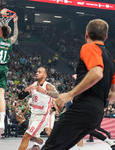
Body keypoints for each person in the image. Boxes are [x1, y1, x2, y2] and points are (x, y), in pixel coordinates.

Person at [42, 19, 115, 150]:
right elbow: (112, 95)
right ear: (106, 36)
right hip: (97, 112)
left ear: (86, 34)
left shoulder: (89, 47)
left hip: (84, 107)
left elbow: (97, 72)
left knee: (51, 147)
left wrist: (70, 94)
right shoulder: (110, 59)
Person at [18, 67, 59, 150]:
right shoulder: (33, 85)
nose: (37, 73)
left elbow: (57, 95)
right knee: (31, 137)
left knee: (26, 136)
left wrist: (44, 91)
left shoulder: (47, 85)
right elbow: (20, 97)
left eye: (39, 72)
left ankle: (52, 144)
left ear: (45, 75)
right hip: (33, 116)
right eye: (36, 71)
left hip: (42, 116)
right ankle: (41, 143)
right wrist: (25, 91)